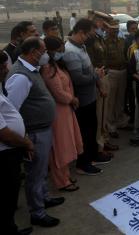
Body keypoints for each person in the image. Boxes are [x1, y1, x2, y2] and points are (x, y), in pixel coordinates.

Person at [6, 37, 63, 228]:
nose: (47, 54)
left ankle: (44, 198)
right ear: (33, 52)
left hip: (42, 129)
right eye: (44, 50)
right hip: (34, 133)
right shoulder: (20, 77)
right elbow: (11, 110)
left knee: (41, 170)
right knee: (35, 174)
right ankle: (37, 213)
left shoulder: (32, 70)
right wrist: (24, 139)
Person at [63, 19, 110, 175]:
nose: (90, 37)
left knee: (92, 129)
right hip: (82, 100)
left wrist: (97, 81)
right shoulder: (70, 51)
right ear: (81, 32)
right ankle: (83, 164)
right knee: (84, 132)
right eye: (89, 34)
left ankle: (93, 155)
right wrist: (95, 75)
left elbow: (88, 71)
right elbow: (78, 79)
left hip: (90, 97)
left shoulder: (81, 46)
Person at [41, 37, 83, 192]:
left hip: (66, 109)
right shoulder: (47, 68)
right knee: (60, 147)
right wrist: (72, 99)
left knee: (67, 144)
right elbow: (57, 92)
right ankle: (61, 181)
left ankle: (65, 175)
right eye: (59, 50)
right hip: (59, 110)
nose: (61, 53)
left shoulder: (55, 65)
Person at [0, 51, 34, 235]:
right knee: (6, 194)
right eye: (2, 66)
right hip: (5, 152)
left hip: (11, 149)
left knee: (10, 193)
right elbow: (4, 134)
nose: (6, 69)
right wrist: (26, 142)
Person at [85, 11, 113, 154]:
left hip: (104, 75)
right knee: (99, 114)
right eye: (102, 21)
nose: (105, 24)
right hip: (98, 77)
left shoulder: (99, 37)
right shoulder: (90, 40)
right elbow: (90, 63)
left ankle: (104, 139)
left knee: (104, 113)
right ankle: (99, 145)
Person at [103, 20, 130, 142]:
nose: (115, 30)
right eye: (112, 28)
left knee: (120, 99)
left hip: (122, 71)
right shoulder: (103, 43)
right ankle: (111, 126)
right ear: (107, 29)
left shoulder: (122, 41)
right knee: (110, 101)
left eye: (116, 28)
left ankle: (120, 122)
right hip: (112, 72)